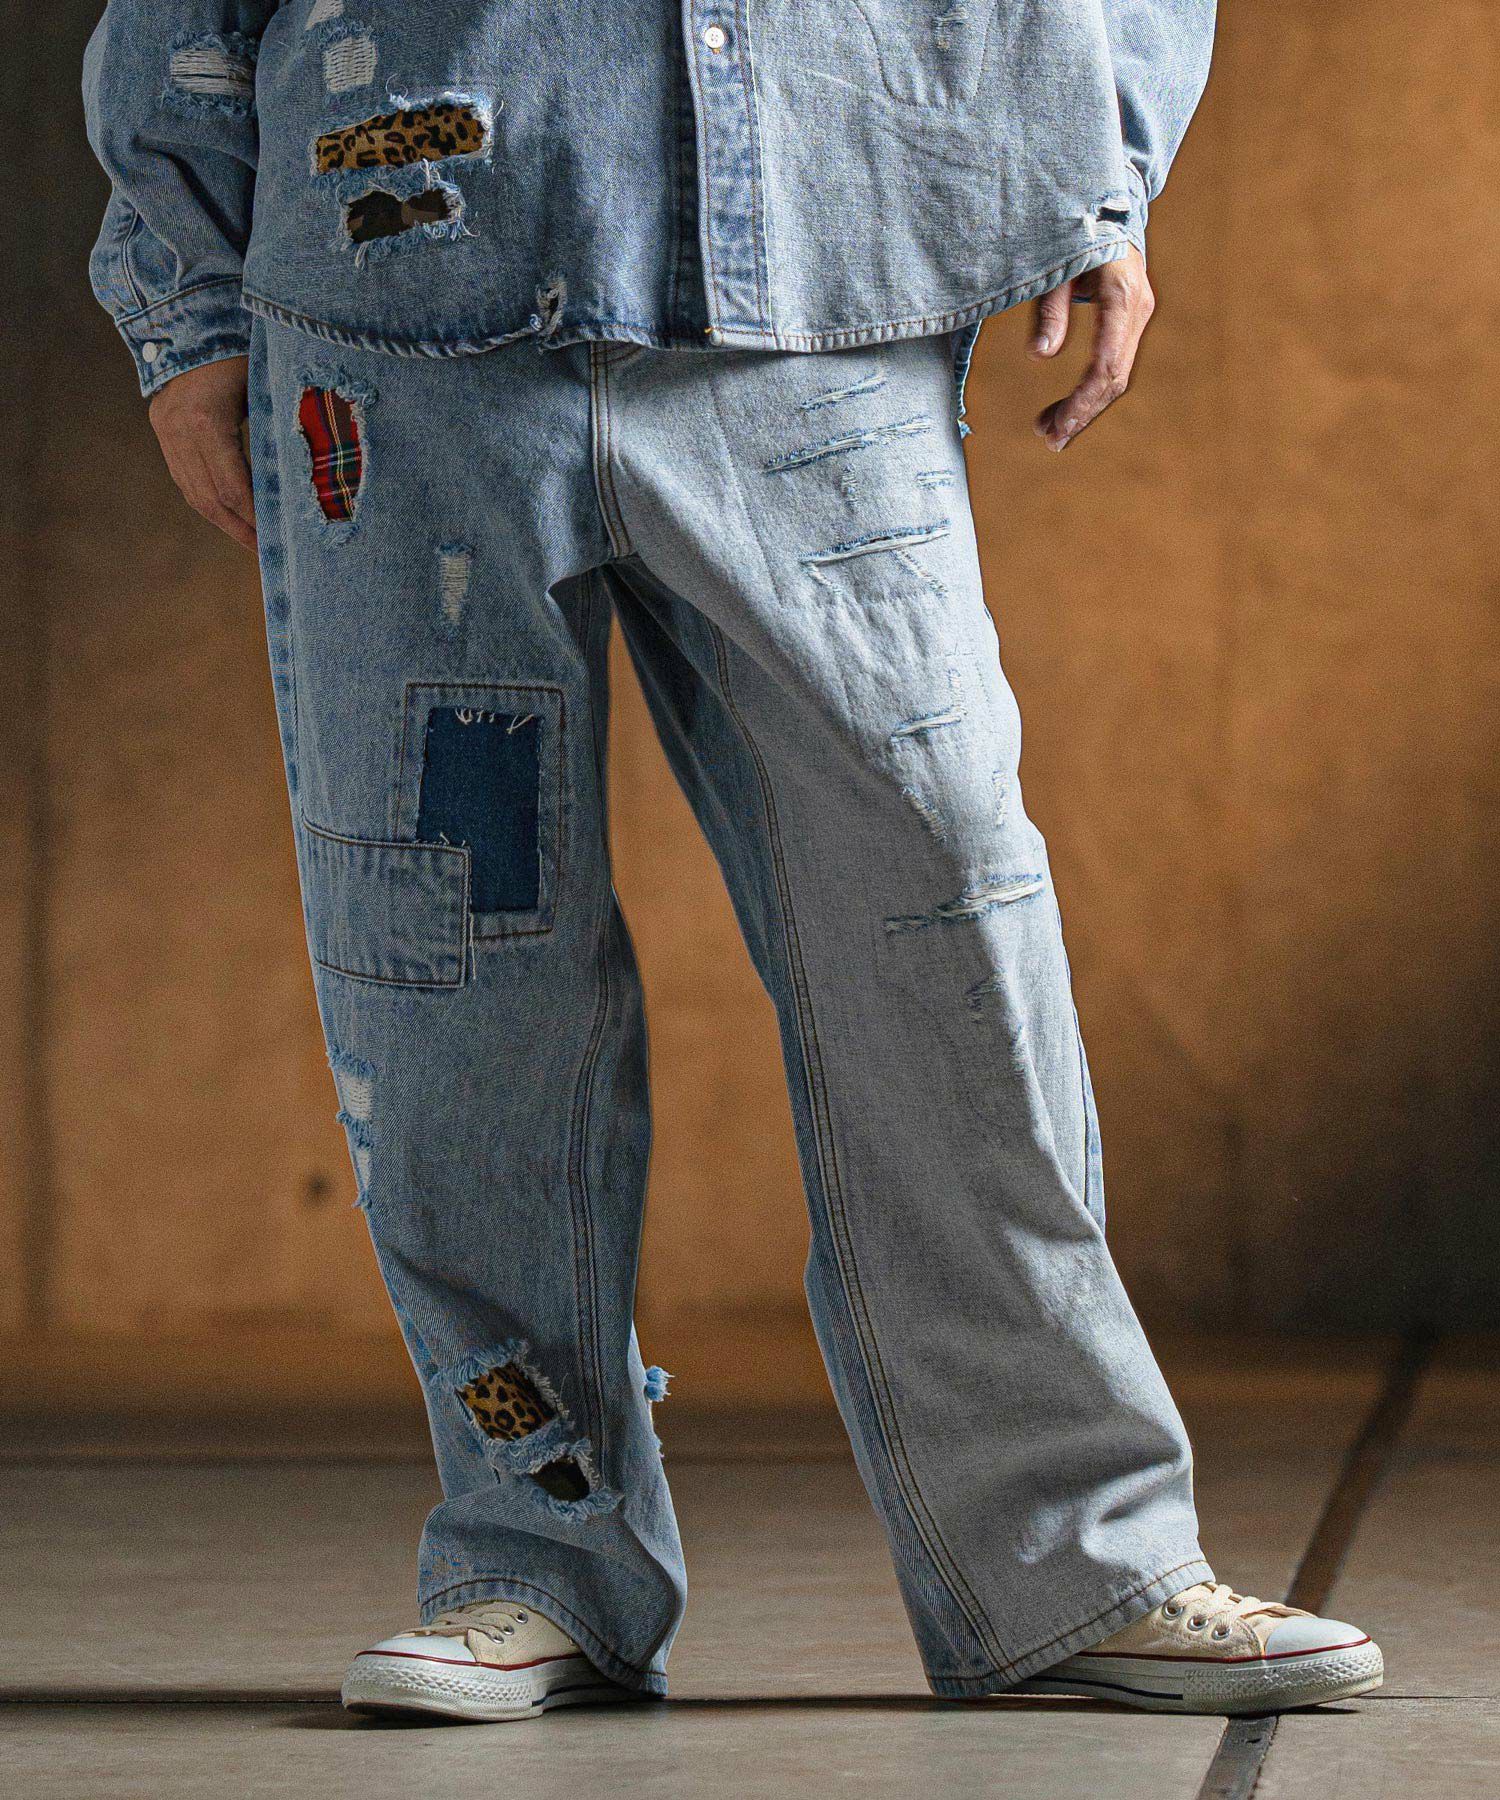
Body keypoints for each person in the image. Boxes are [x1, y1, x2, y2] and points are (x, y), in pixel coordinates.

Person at [84, 0, 1382, 1723]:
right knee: (455, 963)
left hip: (827, 290)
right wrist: (181, 293)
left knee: (941, 913)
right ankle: (536, 1555)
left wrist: (1102, 175)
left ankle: (1075, 1562)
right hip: (401, 326)